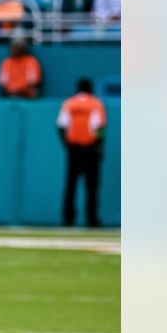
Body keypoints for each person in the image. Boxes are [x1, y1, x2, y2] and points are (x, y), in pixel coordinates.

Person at [57, 78, 106, 227]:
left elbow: (61, 126)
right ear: (90, 89)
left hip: (74, 148)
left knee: (70, 185)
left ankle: (68, 219)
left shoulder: (69, 103)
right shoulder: (96, 104)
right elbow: (100, 128)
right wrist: (99, 147)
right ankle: (92, 219)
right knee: (92, 186)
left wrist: (67, 146)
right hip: (91, 148)